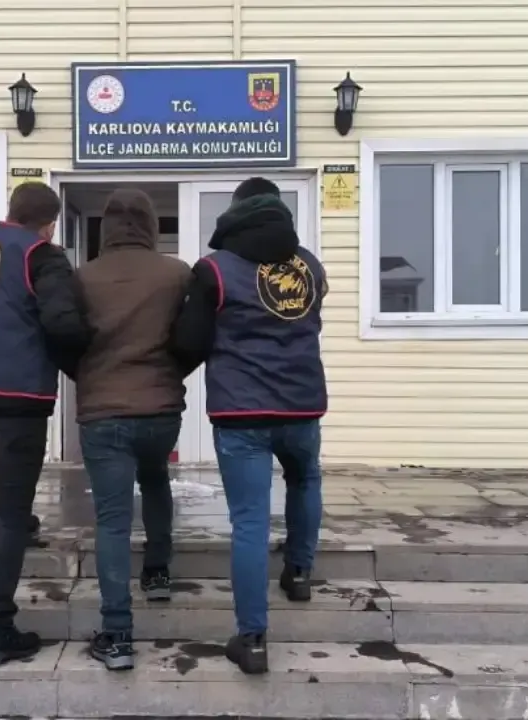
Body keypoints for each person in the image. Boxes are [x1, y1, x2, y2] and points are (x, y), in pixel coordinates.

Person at [171, 177, 328, 675]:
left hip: (241, 413)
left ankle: (253, 638)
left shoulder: (215, 270)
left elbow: (190, 342)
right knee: (306, 480)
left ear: (237, 213)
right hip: (301, 405)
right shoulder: (309, 266)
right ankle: (299, 573)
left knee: (250, 521)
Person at [0, 181, 92, 666]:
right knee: (9, 510)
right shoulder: (43, 255)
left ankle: (23, 518)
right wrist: (89, 369)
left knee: (13, 475)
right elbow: (63, 324)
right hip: (18, 390)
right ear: (50, 224)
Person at [72, 188, 192, 671]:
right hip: (161, 409)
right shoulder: (177, 274)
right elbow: (192, 336)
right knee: (157, 479)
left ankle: (118, 635)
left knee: (113, 520)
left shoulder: (82, 277)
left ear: (105, 227)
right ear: (151, 225)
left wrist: (86, 377)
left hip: (103, 411)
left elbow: (65, 336)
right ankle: (158, 573)